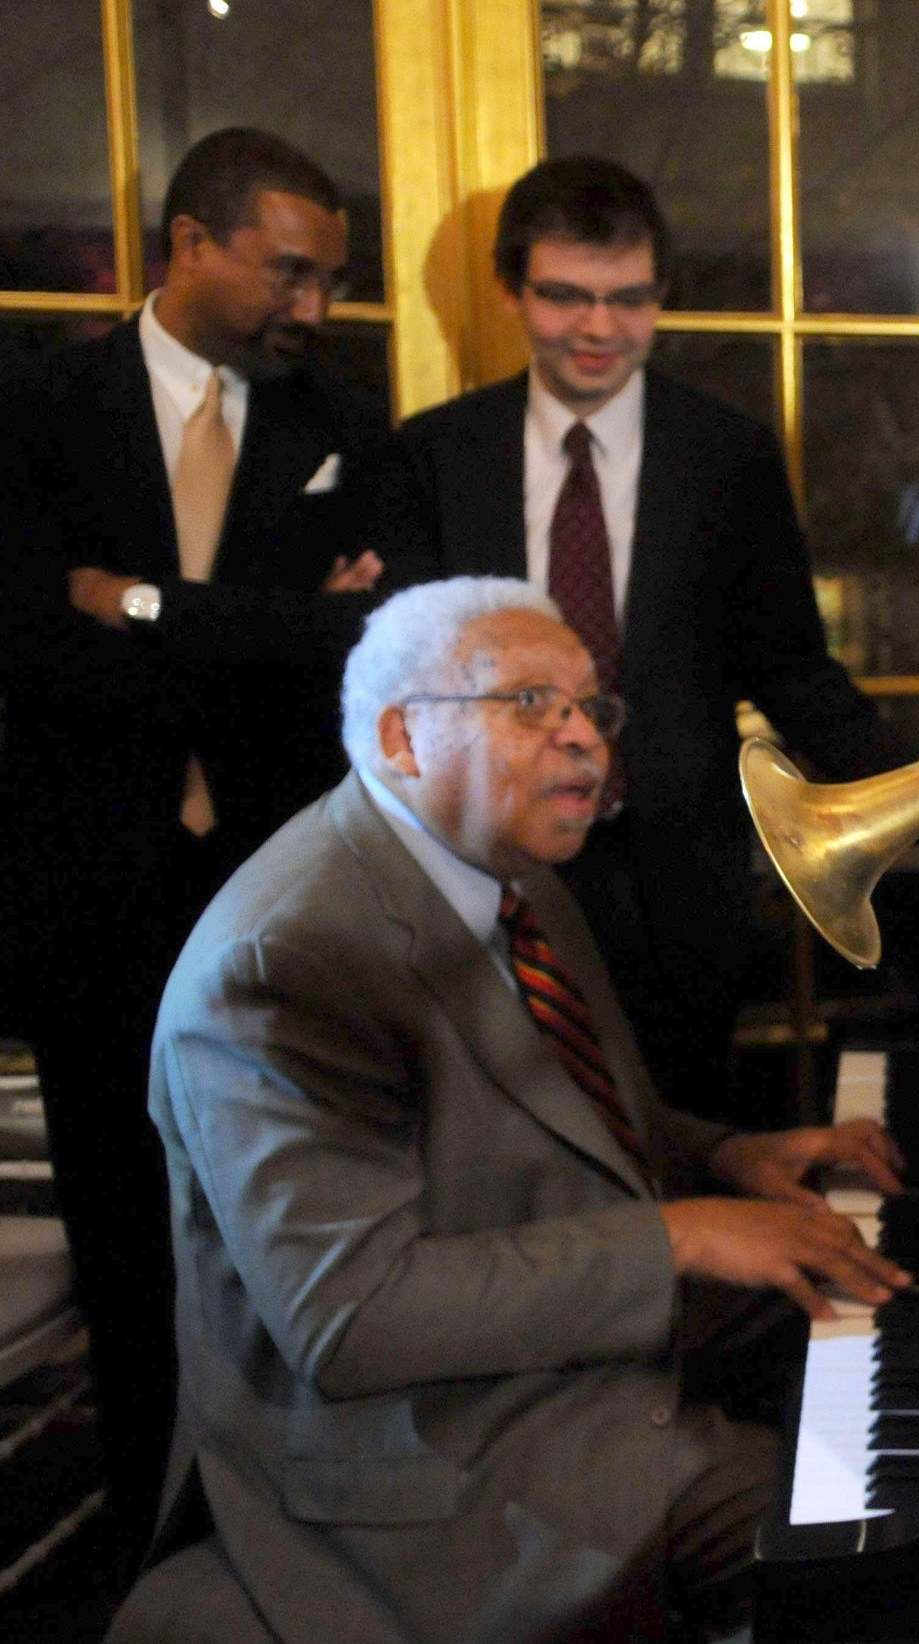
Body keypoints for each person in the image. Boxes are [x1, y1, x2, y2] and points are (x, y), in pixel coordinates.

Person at [108, 577, 912, 1644]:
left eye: (591, 707)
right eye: (532, 704)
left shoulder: (509, 872)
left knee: (905, 1309)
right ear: (402, 736)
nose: (585, 740)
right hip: (418, 1456)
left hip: (550, 1366)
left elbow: (546, 1113)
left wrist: (728, 1153)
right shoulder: (287, 960)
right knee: (868, 1522)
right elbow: (351, 1319)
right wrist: (678, 1232)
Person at [361, 156, 919, 1130]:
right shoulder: (434, 454)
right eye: (565, 296)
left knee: (684, 1150)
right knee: (504, 1151)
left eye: (628, 299)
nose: (598, 329)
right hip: (485, 874)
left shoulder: (725, 457)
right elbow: (402, 686)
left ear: (660, 296)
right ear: (510, 291)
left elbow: (791, 669)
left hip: (677, 885)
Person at [0, 127, 403, 1570]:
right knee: (122, 1228)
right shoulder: (34, 408)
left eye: (333, 279)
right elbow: (25, 645)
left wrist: (143, 606)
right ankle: (147, 1544)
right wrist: (255, 623)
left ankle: (300, 1531)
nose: (316, 306)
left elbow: (349, 643)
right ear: (189, 244)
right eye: (290, 270)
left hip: (274, 890)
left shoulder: (340, 427)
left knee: (285, 1221)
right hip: (89, 885)